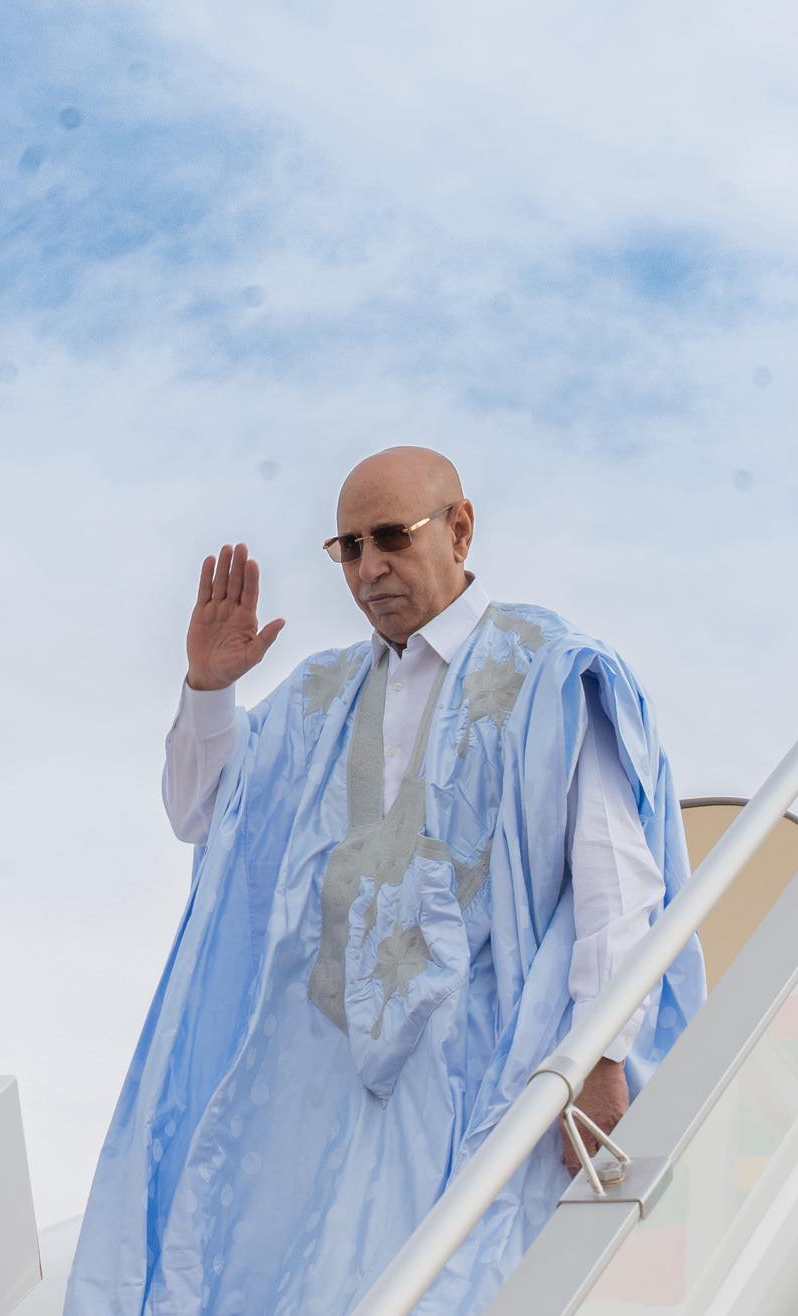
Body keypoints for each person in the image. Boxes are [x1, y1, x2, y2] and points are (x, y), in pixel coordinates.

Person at [66, 447, 704, 1314]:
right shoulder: (319, 696)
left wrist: (599, 1055)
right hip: (321, 1091)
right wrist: (208, 692)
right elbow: (204, 815)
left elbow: (615, 876)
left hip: (486, 1071)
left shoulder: (545, 669)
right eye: (350, 548)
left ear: (460, 529)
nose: (369, 569)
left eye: (392, 538)